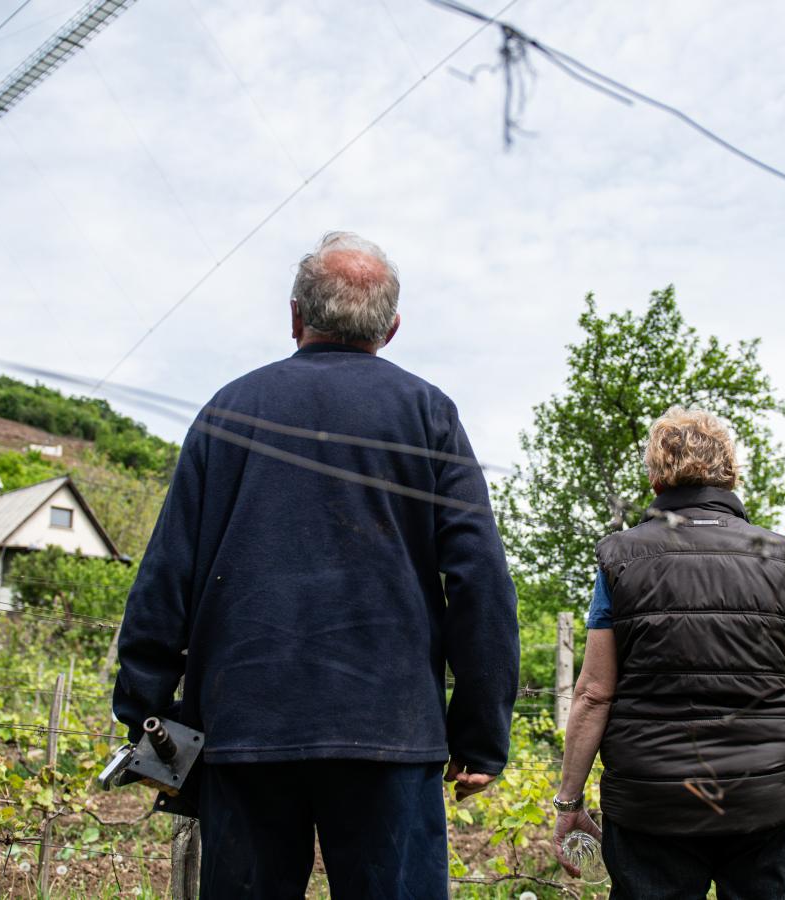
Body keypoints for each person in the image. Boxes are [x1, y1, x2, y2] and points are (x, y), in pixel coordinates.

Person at [112, 232, 520, 899]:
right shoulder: (428, 415)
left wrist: (146, 717)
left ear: (296, 316)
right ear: (390, 328)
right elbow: (478, 578)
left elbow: (167, 573)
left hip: (244, 727)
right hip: (389, 729)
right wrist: (479, 733)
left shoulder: (227, 412)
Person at [553, 406, 785, 900]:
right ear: (729, 472)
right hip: (771, 801)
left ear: (656, 477)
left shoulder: (620, 559)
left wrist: (569, 803)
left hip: (651, 806)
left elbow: (594, 694)